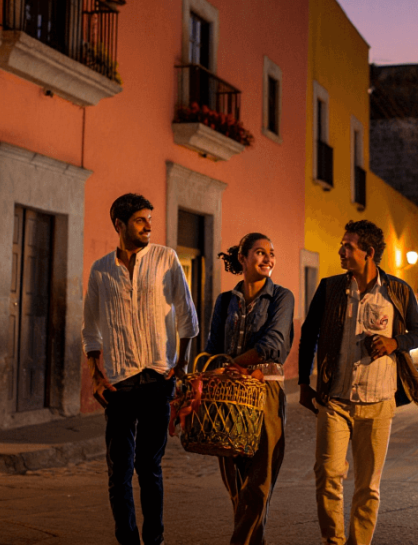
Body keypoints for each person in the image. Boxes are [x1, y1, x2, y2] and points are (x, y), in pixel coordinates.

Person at [298, 219, 418, 545]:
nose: (341, 251)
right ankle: (334, 541)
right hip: (335, 400)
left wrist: (393, 343)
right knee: (327, 475)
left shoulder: (398, 291)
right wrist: (303, 381)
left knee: (368, 486)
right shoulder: (329, 289)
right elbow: (308, 335)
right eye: (343, 245)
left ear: (369, 252)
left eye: (348, 246)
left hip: (379, 401)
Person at [82, 193, 199, 545]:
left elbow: (186, 313)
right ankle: (127, 539)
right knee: (118, 472)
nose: (149, 225)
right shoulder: (101, 270)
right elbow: (90, 325)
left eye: (149, 218)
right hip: (119, 382)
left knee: (149, 469)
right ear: (119, 225)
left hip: (157, 378)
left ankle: (155, 539)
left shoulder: (166, 258)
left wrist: (181, 365)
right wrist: (95, 373)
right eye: (140, 220)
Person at [205, 232, 295, 545]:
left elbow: (273, 345)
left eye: (271, 253)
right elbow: (213, 346)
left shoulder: (282, 297)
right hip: (228, 396)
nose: (268, 258)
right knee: (236, 484)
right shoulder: (224, 301)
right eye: (259, 252)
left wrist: (231, 367)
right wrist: (210, 376)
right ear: (242, 258)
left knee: (260, 480)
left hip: (265, 392)